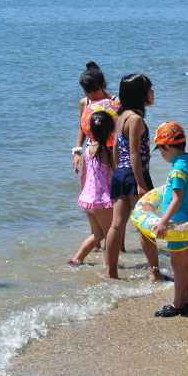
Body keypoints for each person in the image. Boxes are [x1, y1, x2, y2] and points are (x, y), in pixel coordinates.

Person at [105, 74, 162, 281]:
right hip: (136, 176)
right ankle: (155, 274)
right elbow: (134, 153)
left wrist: (115, 172)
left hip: (121, 174)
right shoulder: (136, 120)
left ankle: (111, 273)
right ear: (140, 95)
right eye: (150, 89)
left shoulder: (121, 117)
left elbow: (115, 149)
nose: (153, 93)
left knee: (116, 225)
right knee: (145, 226)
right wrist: (140, 183)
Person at [152, 122, 188, 318]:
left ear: (169, 147)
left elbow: (177, 198)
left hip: (177, 225)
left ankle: (177, 304)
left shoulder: (177, 170)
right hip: (185, 222)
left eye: (161, 150)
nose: (161, 155)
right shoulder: (187, 162)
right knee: (184, 264)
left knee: (177, 266)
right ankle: (186, 301)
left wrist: (163, 221)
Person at [69, 111, 115, 265]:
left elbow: (85, 174)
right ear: (110, 131)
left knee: (97, 234)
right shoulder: (107, 152)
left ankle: (77, 259)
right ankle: (110, 266)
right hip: (101, 200)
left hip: (88, 198)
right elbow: (115, 172)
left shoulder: (87, 151)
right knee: (109, 234)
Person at [73, 62, 111, 176]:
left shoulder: (114, 103)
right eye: (87, 92)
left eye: (95, 91)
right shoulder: (85, 102)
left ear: (103, 85)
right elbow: (82, 126)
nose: (91, 95)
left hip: (111, 151)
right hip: (92, 151)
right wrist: (77, 151)